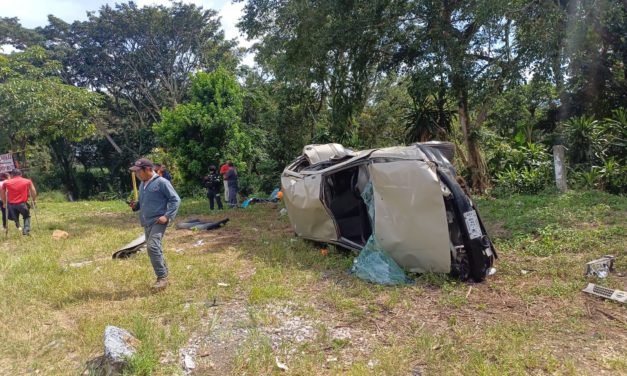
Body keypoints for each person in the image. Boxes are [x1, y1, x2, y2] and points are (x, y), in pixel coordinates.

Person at [129, 158, 181, 290]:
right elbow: (142, 201)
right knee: (155, 248)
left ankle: (162, 278)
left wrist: (167, 216)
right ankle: (164, 274)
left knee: (152, 246)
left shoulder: (162, 182)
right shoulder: (142, 184)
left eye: (139, 171)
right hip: (146, 221)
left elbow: (175, 200)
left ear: (148, 169)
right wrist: (136, 206)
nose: (137, 174)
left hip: (159, 220)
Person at [0, 169, 37, 235]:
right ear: (21, 174)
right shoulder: (27, 181)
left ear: (12, 175)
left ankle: (17, 224)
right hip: (22, 204)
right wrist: (33, 201)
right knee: (26, 216)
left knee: (13, 216)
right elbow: (33, 191)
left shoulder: (6, 183)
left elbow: (2, 193)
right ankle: (26, 230)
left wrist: (4, 202)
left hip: (11, 205)